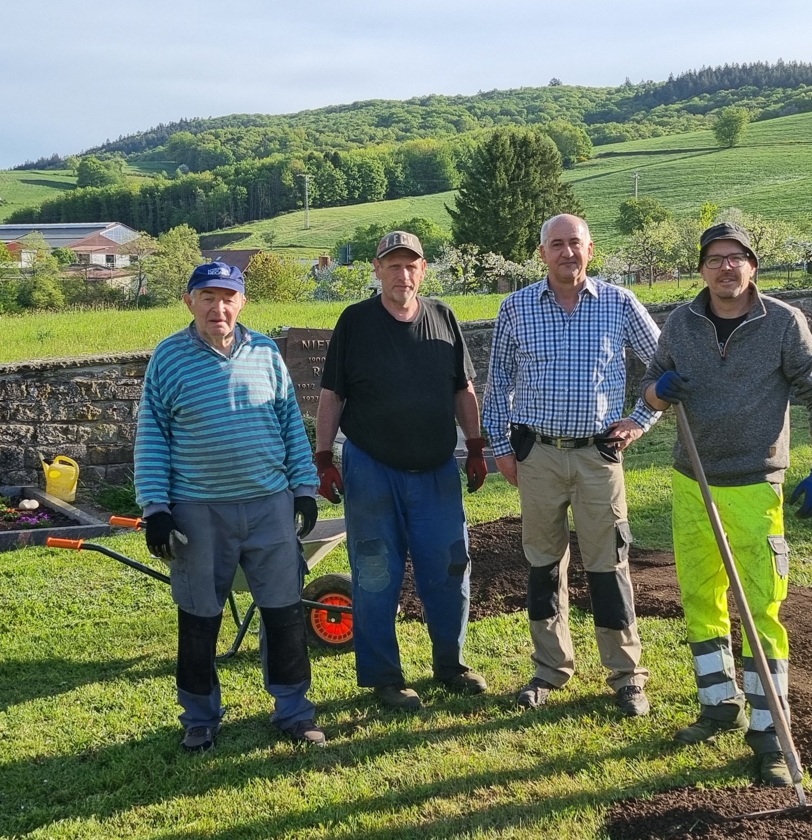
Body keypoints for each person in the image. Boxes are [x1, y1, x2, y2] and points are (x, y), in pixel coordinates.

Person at [640, 222, 812, 786]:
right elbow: (649, 388)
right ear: (702, 269)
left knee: (760, 608)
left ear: (753, 265)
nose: (725, 268)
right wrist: (660, 391)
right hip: (693, 481)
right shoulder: (681, 322)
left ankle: (770, 734)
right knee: (700, 597)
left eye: (735, 258)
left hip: (755, 484)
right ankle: (718, 704)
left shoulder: (782, 322)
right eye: (715, 259)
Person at [134, 261, 324, 752]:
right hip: (199, 511)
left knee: (283, 614)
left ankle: (294, 711)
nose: (218, 308)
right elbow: (152, 436)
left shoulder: (265, 352)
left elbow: (290, 424)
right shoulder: (168, 358)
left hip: (269, 505)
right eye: (207, 297)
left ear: (242, 302)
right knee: (199, 619)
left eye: (227, 297)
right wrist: (156, 509)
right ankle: (199, 717)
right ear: (189, 302)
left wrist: (304, 488)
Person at [483, 214, 660, 716]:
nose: (566, 253)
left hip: (598, 456)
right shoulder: (515, 308)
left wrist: (640, 420)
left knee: (609, 565)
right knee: (543, 565)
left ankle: (626, 674)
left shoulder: (619, 303)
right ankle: (550, 668)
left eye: (574, 243)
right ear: (542, 254)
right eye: (556, 245)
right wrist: (501, 448)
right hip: (537, 455)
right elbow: (499, 382)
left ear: (590, 249)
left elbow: (665, 365)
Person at [313, 231, 489, 711]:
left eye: (411, 265)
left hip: (436, 469)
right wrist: (324, 457)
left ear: (423, 270)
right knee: (374, 572)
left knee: (450, 568)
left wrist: (475, 446)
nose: (402, 274)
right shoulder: (355, 321)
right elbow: (332, 394)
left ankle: (451, 665)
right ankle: (385, 677)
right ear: (377, 269)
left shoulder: (443, 317)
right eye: (393, 265)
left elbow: (463, 389)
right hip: (372, 468)